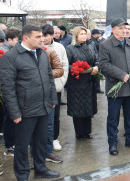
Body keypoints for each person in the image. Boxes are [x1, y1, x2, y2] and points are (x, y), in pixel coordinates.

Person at [0, 25, 60, 180]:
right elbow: (8, 88)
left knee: (40, 142)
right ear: (25, 38)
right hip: (24, 109)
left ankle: (41, 170)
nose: (42, 39)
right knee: (22, 145)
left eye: (42, 36)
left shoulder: (41, 53)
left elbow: (49, 79)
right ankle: (22, 174)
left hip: (43, 106)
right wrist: (14, 112)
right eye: (38, 37)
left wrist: (52, 99)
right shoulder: (11, 57)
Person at [99, 18, 130, 156]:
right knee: (113, 117)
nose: (124, 30)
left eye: (126, 28)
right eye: (120, 28)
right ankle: (112, 143)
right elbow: (104, 64)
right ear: (113, 30)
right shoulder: (105, 45)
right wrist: (121, 74)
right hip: (115, 87)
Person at [66, 26, 99, 140]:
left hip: (89, 83)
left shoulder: (89, 47)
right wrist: (78, 68)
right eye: (81, 34)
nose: (84, 36)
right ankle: (79, 133)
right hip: (76, 83)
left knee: (88, 108)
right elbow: (66, 65)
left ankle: (87, 132)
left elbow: (96, 60)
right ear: (76, 36)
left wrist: (96, 67)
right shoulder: (70, 49)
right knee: (78, 108)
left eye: (85, 34)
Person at [42, 24, 69, 153]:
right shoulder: (36, 48)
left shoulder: (59, 47)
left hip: (56, 87)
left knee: (55, 116)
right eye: (41, 35)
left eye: (46, 35)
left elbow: (64, 65)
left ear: (52, 35)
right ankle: (41, 141)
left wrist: (61, 83)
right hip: (39, 89)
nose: (43, 38)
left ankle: (54, 139)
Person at [0, 28, 21, 157]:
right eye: (17, 39)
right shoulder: (6, 52)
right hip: (7, 90)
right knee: (9, 118)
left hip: (11, 89)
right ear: (9, 39)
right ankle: (9, 145)